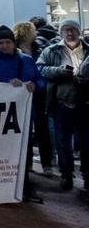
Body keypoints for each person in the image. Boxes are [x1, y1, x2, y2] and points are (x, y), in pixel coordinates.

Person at [0, 25, 43, 203]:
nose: (4, 46)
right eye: (0, 43)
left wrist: (35, 86)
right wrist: (6, 83)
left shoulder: (26, 60)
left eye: (7, 42)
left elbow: (40, 80)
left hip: (23, 115)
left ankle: (24, 185)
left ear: (13, 43)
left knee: (23, 151)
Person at [37, 19, 89, 191]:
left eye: (73, 29)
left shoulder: (88, 49)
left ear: (79, 31)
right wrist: (58, 71)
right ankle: (66, 175)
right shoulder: (51, 51)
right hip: (61, 103)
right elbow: (40, 68)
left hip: (85, 103)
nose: (70, 33)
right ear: (61, 32)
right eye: (66, 30)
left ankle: (87, 176)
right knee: (63, 143)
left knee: (86, 142)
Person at [14, 21, 53, 175]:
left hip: (37, 93)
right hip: (20, 95)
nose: (35, 33)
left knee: (42, 128)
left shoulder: (38, 48)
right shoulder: (14, 51)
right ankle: (27, 162)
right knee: (25, 130)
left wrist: (37, 85)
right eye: (32, 31)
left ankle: (47, 163)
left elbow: (40, 72)